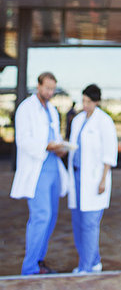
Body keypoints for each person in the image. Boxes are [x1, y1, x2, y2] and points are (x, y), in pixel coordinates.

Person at [10, 72, 68, 275]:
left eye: (53, 89)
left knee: (50, 217)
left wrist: (60, 148)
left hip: (53, 166)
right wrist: (46, 145)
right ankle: (29, 268)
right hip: (38, 168)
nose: (50, 92)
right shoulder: (26, 108)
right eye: (47, 88)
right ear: (38, 86)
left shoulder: (52, 109)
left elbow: (56, 135)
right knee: (40, 216)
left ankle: (39, 260)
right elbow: (23, 140)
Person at [67, 84, 118, 274]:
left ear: (96, 101)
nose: (85, 105)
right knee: (78, 222)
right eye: (83, 101)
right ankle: (94, 262)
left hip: (95, 179)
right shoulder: (78, 119)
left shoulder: (104, 121)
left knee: (90, 224)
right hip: (77, 178)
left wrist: (103, 179)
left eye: (89, 101)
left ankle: (86, 267)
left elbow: (109, 153)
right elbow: (73, 146)